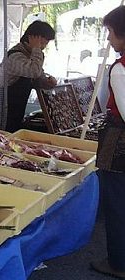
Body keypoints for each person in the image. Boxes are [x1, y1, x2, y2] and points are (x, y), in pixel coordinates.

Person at [90, 6, 125, 279]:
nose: (110, 39)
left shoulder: (120, 69)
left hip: (119, 145)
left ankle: (118, 263)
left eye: (111, 33)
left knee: (116, 204)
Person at [0, 20, 57, 133]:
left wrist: (48, 83)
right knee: (1, 134)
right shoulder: (15, 56)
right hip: (1, 105)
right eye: (43, 43)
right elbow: (34, 71)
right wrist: (36, 49)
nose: (44, 47)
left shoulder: (30, 56)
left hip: (16, 107)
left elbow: (38, 77)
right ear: (34, 38)